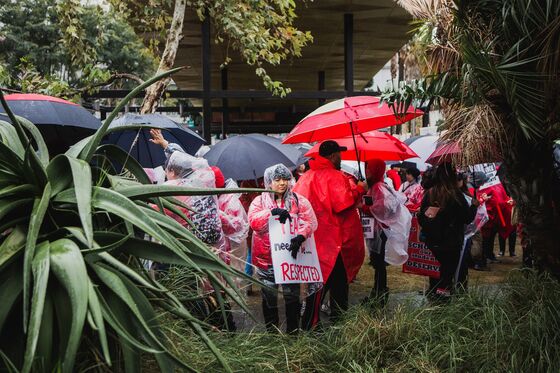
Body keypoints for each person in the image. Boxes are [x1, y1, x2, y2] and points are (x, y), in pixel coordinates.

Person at [293, 140, 367, 328]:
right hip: (335, 243)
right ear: (333, 156)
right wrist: (359, 189)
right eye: (339, 154)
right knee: (339, 286)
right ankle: (338, 323)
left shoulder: (305, 178)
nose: (341, 158)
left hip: (312, 242)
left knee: (315, 285)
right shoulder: (336, 176)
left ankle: (310, 323)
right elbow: (343, 205)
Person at [248, 164, 317, 333]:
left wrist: (301, 235)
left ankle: (293, 332)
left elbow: (310, 221)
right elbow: (254, 222)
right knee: (269, 298)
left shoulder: (298, 200)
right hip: (266, 260)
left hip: (290, 259)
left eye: (285, 179)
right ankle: (272, 333)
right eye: (277, 180)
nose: (282, 183)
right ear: (269, 182)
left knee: (292, 297)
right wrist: (272, 213)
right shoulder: (259, 201)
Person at [418, 163, 477, 300]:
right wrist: (473, 206)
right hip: (452, 243)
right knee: (447, 274)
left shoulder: (430, 193)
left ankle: (434, 295)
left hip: (432, 241)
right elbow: (467, 218)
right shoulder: (456, 195)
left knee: (435, 272)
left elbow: (422, 217)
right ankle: (443, 300)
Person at [362, 159, 411, 306]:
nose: (367, 171)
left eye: (369, 169)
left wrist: (364, 207)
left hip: (379, 231)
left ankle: (379, 294)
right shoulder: (377, 186)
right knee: (378, 264)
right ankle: (377, 292)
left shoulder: (379, 187)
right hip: (376, 230)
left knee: (379, 264)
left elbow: (383, 208)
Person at [211, 167, 250, 278]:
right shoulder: (213, 198)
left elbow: (236, 226)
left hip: (233, 248)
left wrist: (219, 216)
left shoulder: (230, 200)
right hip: (220, 247)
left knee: (234, 277)